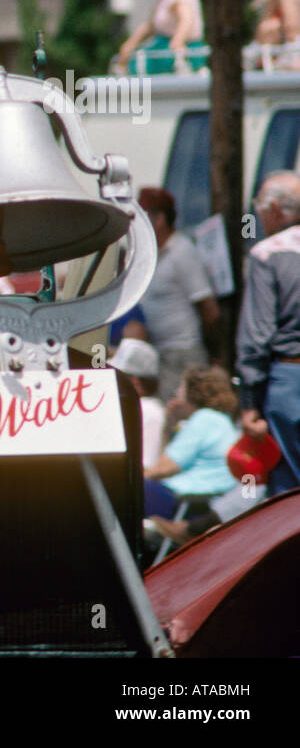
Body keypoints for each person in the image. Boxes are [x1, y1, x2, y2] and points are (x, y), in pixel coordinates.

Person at [236, 170, 300, 495]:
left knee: (289, 497)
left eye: (259, 206)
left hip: (289, 381)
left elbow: (257, 336)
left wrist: (249, 402)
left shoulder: (266, 254)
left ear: (273, 208)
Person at [135, 187, 218, 402]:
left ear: (159, 219)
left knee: (176, 413)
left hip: (183, 353)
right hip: (162, 352)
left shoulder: (182, 251)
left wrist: (215, 354)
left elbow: (208, 307)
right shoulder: (154, 254)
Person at [143, 366, 239, 518]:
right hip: (207, 499)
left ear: (192, 393)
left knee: (129, 488)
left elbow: (164, 469)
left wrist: (136, 476)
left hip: (189, 502)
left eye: (181, 388)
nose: (177, 394)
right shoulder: (221, 420)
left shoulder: (203, 419)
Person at [117, 0, 209, 75]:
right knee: (134, 60)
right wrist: (130, 44)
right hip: (164, 44)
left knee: (140, 65)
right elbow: (151, 25)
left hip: (184, 48)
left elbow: (186, 19)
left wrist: (178, 41)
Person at [110, 337, 165, 469]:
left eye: (116, 376)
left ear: (134, 382)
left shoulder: (147, 409)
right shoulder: (141, 407)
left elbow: (145, 464)